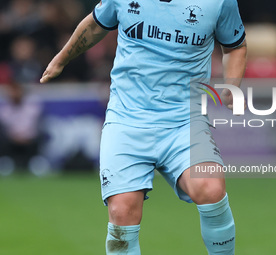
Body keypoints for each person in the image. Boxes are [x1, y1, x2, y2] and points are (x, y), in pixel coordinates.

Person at [40, 0, 247, 254]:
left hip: (184, 119)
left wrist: (232, 85)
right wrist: (61, 59)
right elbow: (95, 25)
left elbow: (235, 46)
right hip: (128, 118)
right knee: (122, 210)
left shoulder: (218, 2)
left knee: (211, 188)